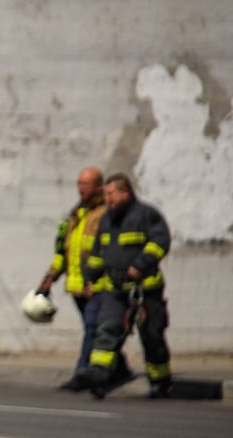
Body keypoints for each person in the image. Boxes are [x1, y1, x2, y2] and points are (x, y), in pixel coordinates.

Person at [82, 173, 173, 398]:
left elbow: (161, 242)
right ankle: (98, 378)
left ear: (125, 193)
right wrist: (90, 278)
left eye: (110, 194)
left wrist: (140, 265)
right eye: (105, 194)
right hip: (114, 289)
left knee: (152, 337)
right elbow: (97, 252)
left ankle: (160, 381)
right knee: (106, 331)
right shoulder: (106, 220)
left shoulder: (146, 215)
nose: (107, 199)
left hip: (145, 289)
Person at [38, 167, 115, 390]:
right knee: (94, 329)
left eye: (86, 184)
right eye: (79, 183)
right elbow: (63, 251)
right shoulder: (76, 214)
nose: (81, 188)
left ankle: (82, 374)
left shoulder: (105, 215)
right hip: (77, 286)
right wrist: (49, 278)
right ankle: (117, 368)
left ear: (98, 186)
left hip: (98, 286)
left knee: (93, 328)